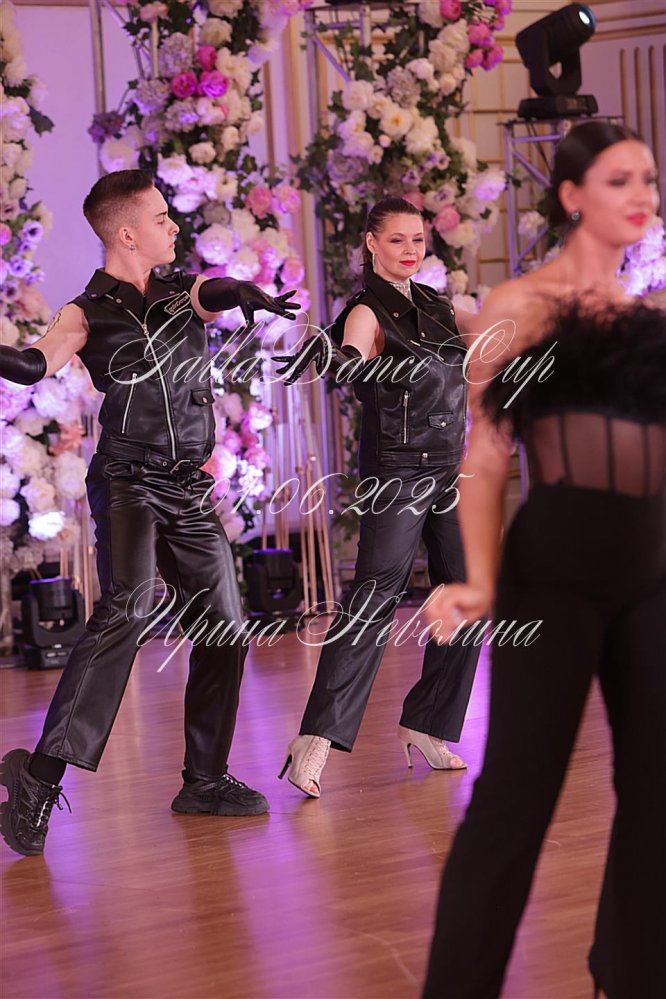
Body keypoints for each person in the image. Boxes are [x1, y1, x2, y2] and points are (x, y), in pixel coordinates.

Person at [421, 122, 666, 998]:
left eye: (648, 179)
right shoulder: (518, 306)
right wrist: (478, 579)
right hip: (553, 572)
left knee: (657, 795)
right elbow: (486, 457)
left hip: (653, 574)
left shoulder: (649, 321)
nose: (642, 195)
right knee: (514, 799)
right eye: (619, 179)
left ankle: (632, 973)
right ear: (570, 194)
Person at [0, 169, 300, 856]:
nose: (174, 225)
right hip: (128, 481)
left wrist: (239, 289)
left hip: (187, 487)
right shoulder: (84, 313)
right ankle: (37, 777)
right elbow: (35, 363)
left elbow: (211, 291)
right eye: (162, 217)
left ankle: (205, 780)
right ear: (127, 233)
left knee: (225, 626)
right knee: (128, 609)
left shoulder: (180, 293)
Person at [273, 197, 481, 797]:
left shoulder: (438, 305)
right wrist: (335, 357)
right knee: (373, 601)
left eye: (417, 239)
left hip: (448, 470)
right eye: (396, 240)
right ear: (370, 242)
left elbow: (492, 331)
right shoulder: (366, 310)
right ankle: (314, 739)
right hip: (397, 472)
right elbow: (353, 354)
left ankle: (427, 722)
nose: (410, 250)